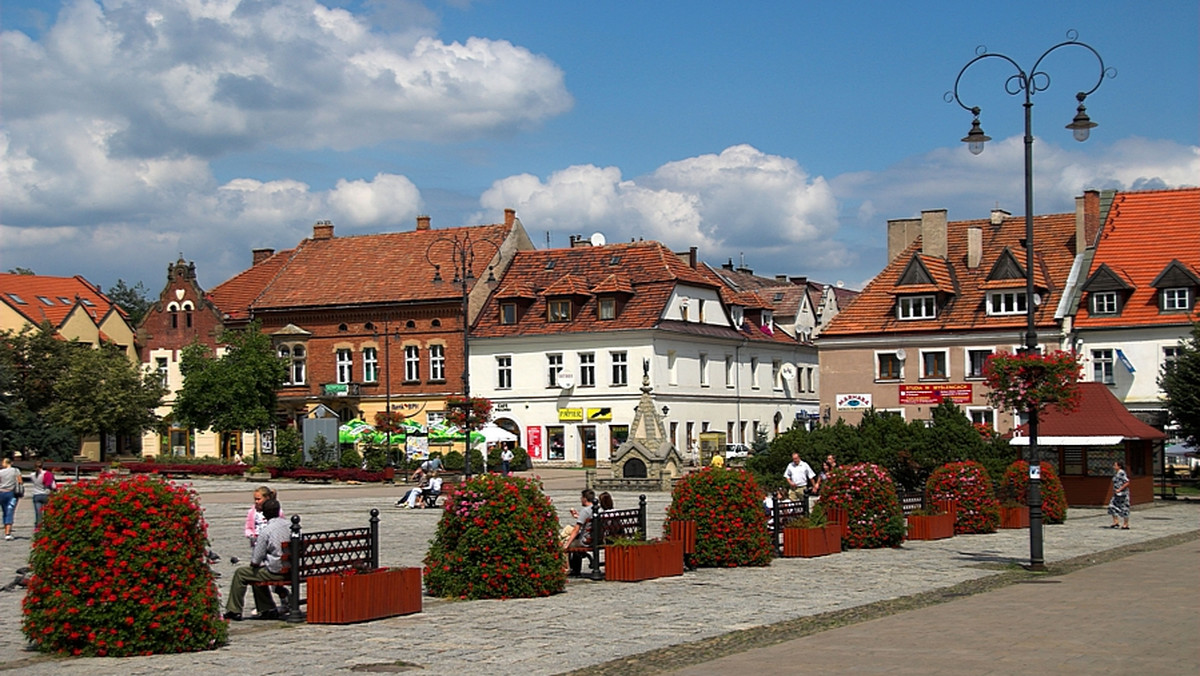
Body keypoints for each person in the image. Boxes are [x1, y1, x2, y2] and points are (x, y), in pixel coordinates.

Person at [224, 498, 290, 621]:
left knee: (242, 573)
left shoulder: (266, 531)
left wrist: (255, 563)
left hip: (277, 572)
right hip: (293, 569)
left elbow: (256, 560)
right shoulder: (290, 525)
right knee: (256, 574)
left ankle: (234, 610)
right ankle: (267, 609)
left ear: (264, 514)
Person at [563, 489, 596, 576]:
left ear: (585, 499)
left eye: (581, 497)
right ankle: (575, 569)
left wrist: (566, 544)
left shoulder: (585, 511)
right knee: (568, 531)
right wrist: (578, 516)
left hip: (586, 541)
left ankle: (568, 568)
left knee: (567, 541)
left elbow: (576, 530)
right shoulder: (598, 509)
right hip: (596, 538)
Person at [29, 460, 56, 529]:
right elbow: (53, 486)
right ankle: (48, 525)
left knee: (38, 513)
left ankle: (38, 526)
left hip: (36, 494)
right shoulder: (47, 474)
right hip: (46, 494)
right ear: (42, 466)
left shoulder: (32, 475)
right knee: (47, 512)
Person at [0, 458, 22, 541]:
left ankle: (6, 529)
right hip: (11, 493)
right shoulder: (15, 470)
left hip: (1, 493)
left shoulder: (1, 472)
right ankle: (8, 533)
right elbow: (20, 481)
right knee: (10, 511)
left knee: (4, 511)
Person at [1108, 461, 1131, 530]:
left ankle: (1125, 524)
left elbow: (1127, 482)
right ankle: (1116, 522)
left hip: (1122, 494)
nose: (1114, 467)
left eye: (1115, 465)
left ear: (1119, 466)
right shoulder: (1117, 473)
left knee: (1124, 508)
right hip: (1116, 494)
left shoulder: (1122, 473)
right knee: (1111, 506)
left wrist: (1120, 489)